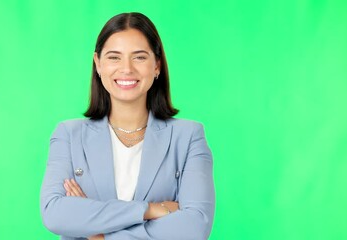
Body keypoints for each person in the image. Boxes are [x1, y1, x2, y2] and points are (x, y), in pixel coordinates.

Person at [40, 12, 215, 240]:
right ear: (98, 64)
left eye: (139, 57)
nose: (127, 69)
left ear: (157, 66)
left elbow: (194, 227)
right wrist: (149, 210)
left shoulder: (189, 136)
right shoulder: (68, 135)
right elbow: (54, 213)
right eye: (114, 57)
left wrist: (99, 234)